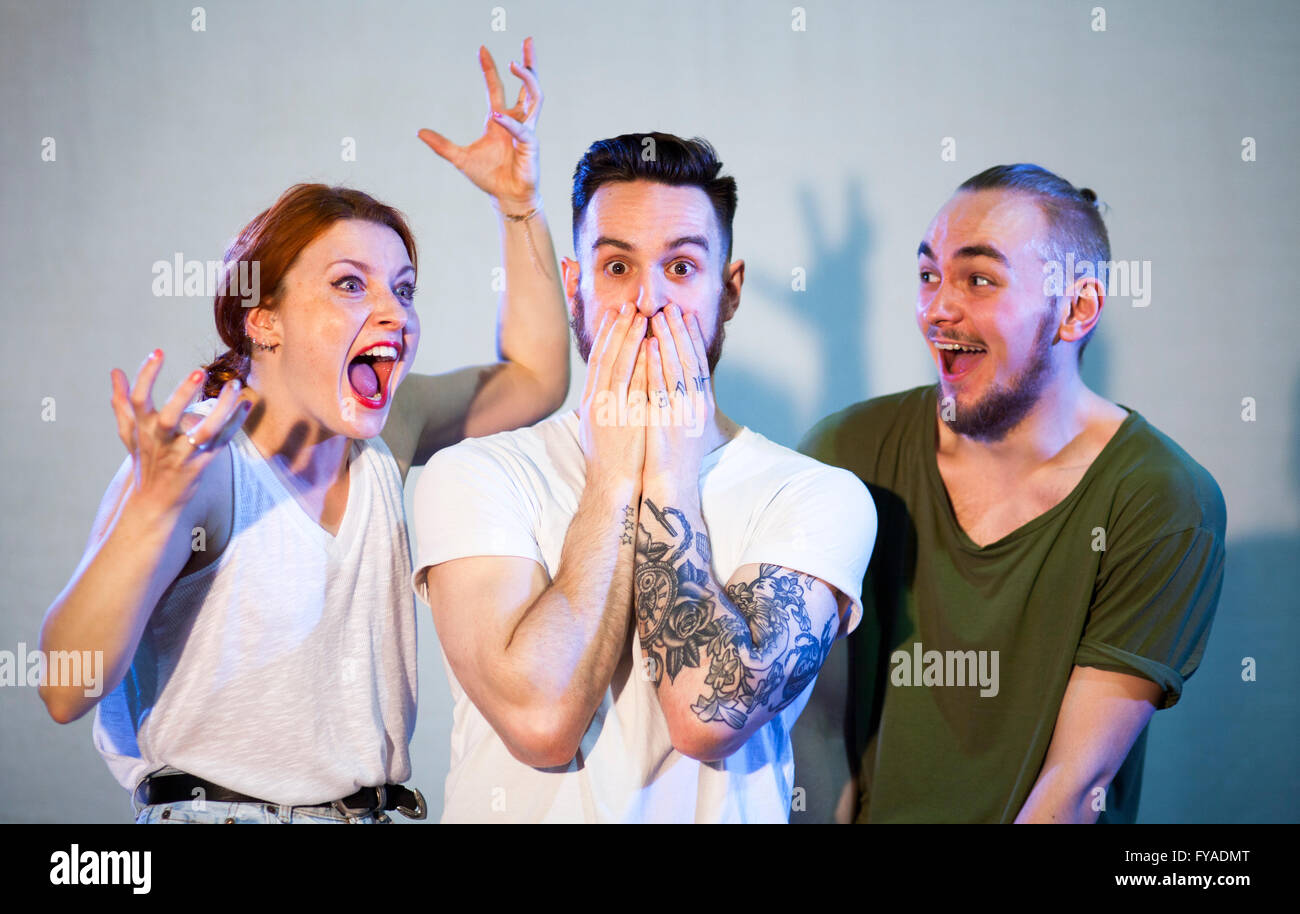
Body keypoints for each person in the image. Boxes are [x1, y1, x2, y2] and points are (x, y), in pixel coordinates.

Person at [37, 38, 571, 823]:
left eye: (403, 288)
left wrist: (518, 207)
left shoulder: (388, 436)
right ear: (264, 322)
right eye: (349, 285)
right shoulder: (202, 464)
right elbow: (61, 687)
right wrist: (152, 507)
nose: (393, 312)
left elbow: (535, 378)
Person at [411, 132, 877, 823]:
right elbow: (541, 722)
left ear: (731, 288)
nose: (649, 301)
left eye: (683, 268)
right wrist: (609, 481)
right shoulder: (476, 475)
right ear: (576, 287)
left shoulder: (817, 497)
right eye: (617, 268)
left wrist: (668, 476)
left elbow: (706, 715)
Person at [799, 164, 1227, 823]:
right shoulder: (849, 452)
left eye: (979, 278)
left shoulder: (1161, 499)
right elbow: (807, 722)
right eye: (929, 275)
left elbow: (1075, 783)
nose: (939, 306)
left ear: (1077, 309)